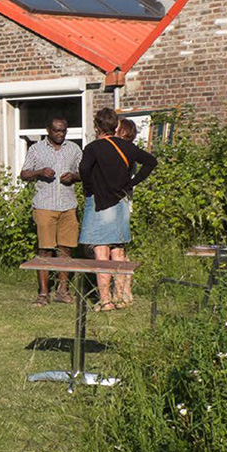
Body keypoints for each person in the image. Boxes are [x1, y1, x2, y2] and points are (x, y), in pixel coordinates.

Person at [80, 107, 157, 310]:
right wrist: (132, 183)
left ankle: (106, 301)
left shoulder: (93, 148)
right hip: (121, 203)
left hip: (99, 204)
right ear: (115, 127)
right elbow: (151, 162)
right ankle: (121, 298)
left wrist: (89, 188)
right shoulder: (127, 147)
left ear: (97, 127)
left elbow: (84, 169)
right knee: (118, 251)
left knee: (101, 252)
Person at [20, 117, 82, 306]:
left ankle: (62, 291)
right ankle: (43, 293)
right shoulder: (36, 149)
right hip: (45, 205)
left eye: (64, 130)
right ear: (48, 130)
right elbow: (24, 174)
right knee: (45, 249)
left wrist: (74, 176)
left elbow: (84, 174)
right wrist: (39, 172)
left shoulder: (74, 149)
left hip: (68, 205)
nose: (60, 134)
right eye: (56, 130)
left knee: (66, 249)